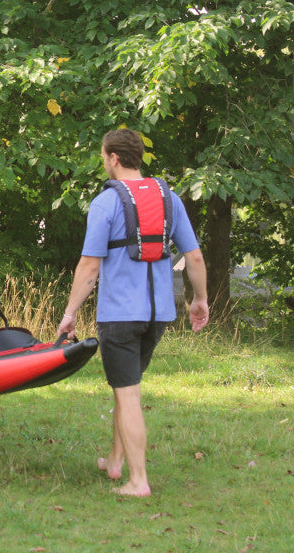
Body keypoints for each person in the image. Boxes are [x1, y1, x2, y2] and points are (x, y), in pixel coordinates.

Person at [57, 129, 209, 497]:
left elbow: (89, 266)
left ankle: (138, 480)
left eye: (103, 156)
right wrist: (200, 299)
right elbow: (194, 256)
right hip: (158, 316)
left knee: (127, 396)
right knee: (126, 387)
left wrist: (70, 312)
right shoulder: (170, 199)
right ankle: (115, 461)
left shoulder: (105, 203)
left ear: (113, 158)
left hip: (120, 316)